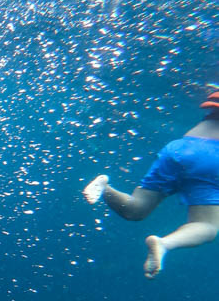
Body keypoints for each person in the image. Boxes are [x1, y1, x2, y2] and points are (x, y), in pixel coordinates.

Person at [83, 90, 219, 279]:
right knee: (206, 225)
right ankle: (164, 243)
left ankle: (105, 187)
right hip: (212, 157)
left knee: (134, 209)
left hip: (180, 147)